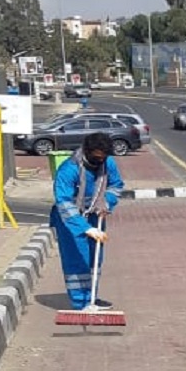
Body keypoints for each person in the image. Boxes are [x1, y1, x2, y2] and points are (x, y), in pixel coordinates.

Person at [50, 132, 124, 311]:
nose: (99, 161)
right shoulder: (69, 169)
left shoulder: (107, 164)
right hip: (70, 220)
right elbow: (63, 201)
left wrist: (106, 202)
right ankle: (80, 303)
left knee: (94, 258)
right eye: (96, 157)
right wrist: (85, 228)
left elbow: (116, 185)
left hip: (95, 214)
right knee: (77, 259)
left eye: (103, 157)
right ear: (87, 151)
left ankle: (92, 297)